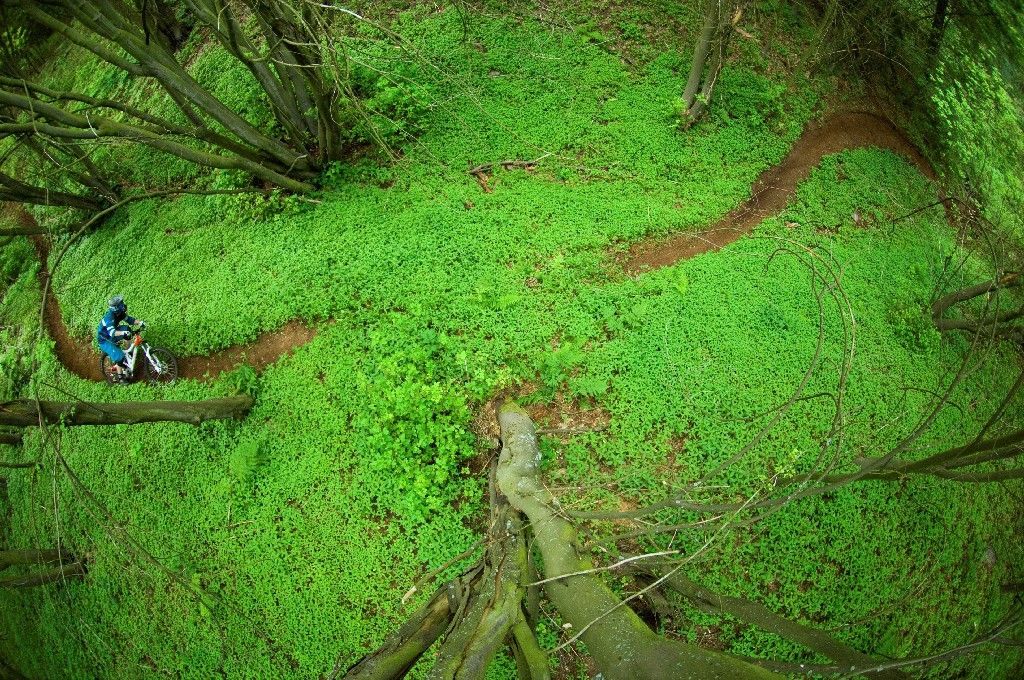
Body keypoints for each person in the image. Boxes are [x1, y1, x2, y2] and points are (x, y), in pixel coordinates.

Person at [96, 295, 144, 380]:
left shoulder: (119, 313)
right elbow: (112, 332)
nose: (123, 305)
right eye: (121, 304)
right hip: (105, 340)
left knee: (127, 329)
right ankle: (121, 378)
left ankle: (128, 351)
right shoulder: (109, 317)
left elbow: (130, 320)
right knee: (120, 357)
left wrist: (140, 322)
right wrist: (123, 333)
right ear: (115, 308)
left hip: (112, 335)